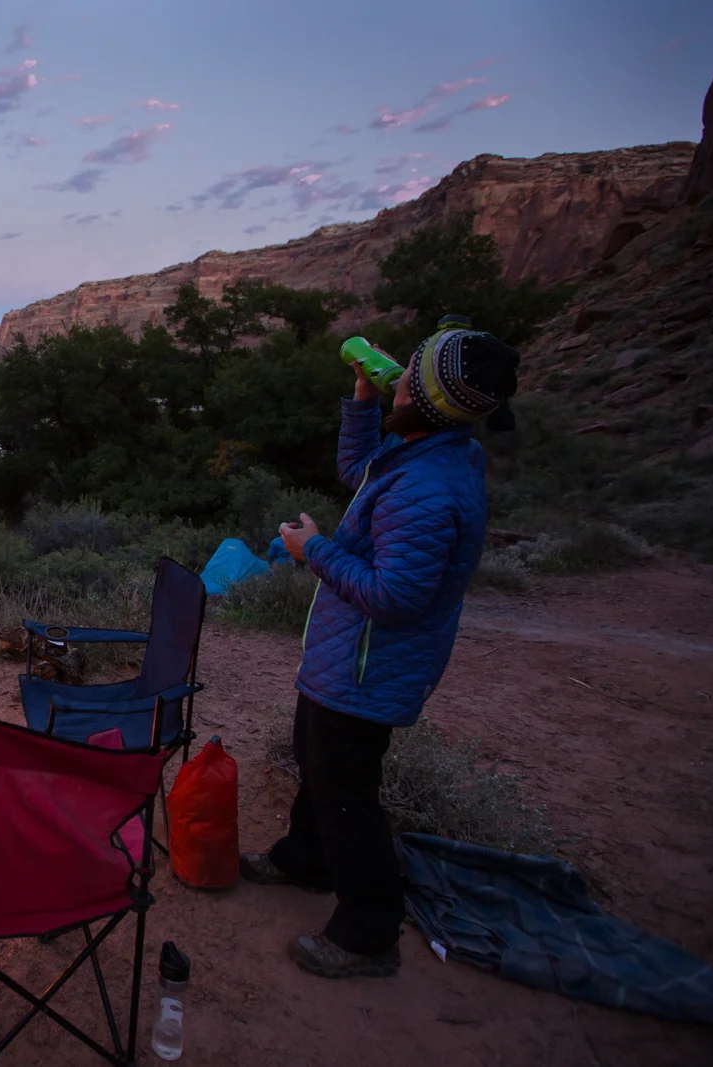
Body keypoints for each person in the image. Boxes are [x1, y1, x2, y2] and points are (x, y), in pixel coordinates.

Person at [239, 322, 521, 979]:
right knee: (318, 760)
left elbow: (395, 597)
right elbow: (354, 470)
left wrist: (314, 551)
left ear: (424, 402)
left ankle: (369, 932)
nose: (396, 379)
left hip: (370, 668)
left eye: (405, 380)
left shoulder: (428, 490)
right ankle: (304, 859)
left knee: (347, 794)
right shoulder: (426, 449)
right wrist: (364, 400)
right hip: (346, 657)